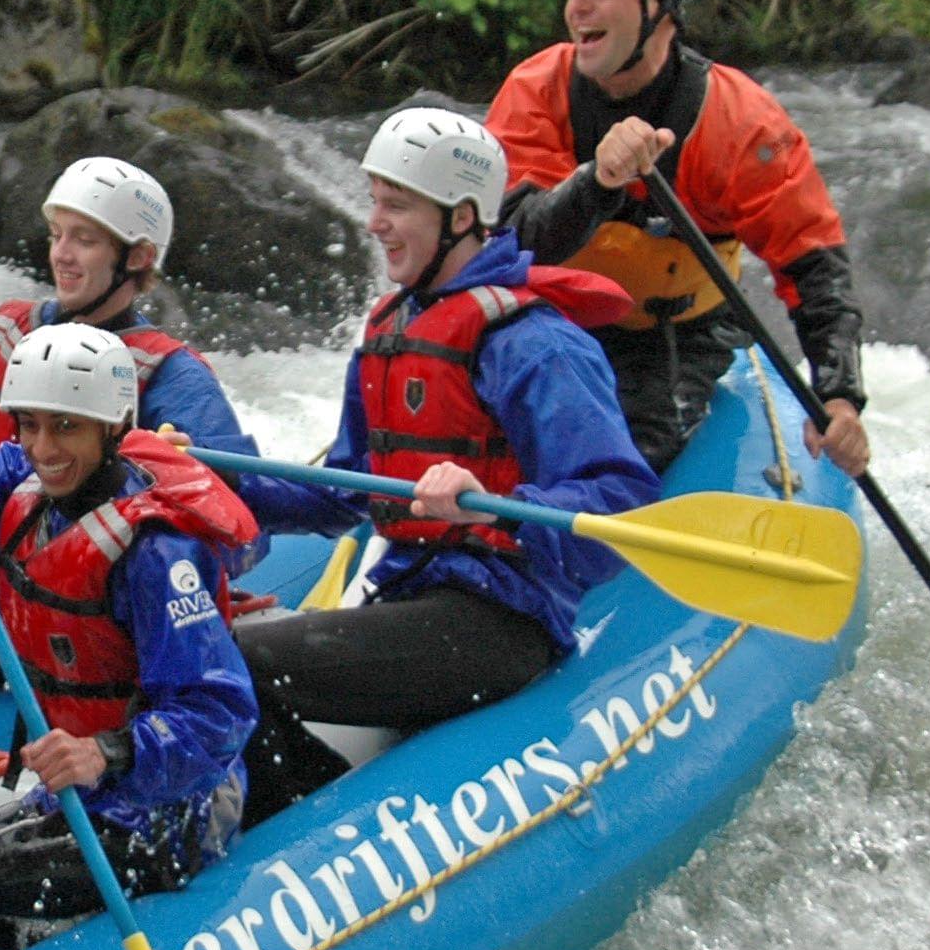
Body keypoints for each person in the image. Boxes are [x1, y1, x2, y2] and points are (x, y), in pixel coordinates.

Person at [225, 109, 660, 820]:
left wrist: (489, 501)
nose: (375, 223)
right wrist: (215, 487)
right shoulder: (390, 331)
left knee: (231, 663)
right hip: (412, 597)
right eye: (375, 201)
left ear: (461, 217)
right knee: (192, 649)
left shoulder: (534, 343)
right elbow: (346, 490)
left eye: (395, 204)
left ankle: (303, 817)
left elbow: (618, 507)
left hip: (502, 622)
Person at [0, 324, 260, 950]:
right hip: (76, 793)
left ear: (112, 426)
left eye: (66, 427)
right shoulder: (27, 487)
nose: (44, 448)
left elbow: (220, 713)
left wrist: (106, 752)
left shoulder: (156, 550)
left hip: (170, 814)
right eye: (30, 425)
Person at [483, 0, 871, 476]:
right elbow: (515, 238)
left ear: (660, 5)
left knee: (621, 460)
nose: (578, 7)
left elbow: (811, 261)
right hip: (556, 319)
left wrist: (839, 395)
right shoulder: (535, 91)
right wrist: (598, 182)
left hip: (677, 338)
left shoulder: (740, 122)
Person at [0, 157, 255, 698]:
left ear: (138, 257)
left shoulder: (174, 377)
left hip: (88, 612)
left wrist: (182, 469)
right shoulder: (1, 335)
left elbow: (235, 518)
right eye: (57, 235)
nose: (61, 254)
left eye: (85, 239)